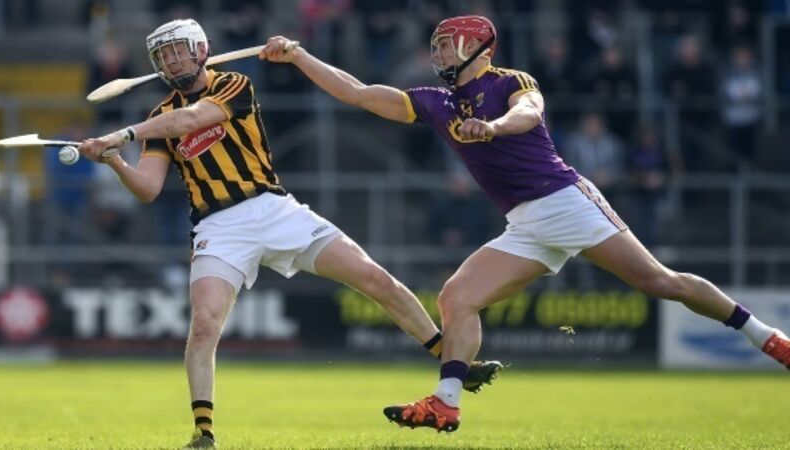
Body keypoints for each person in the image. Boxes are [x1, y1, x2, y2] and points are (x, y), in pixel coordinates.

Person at [259, 14, 790, 433]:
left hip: (565, 201)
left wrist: (492, 128)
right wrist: (300, 55)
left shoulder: (509, 81)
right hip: (525, 223)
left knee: (661, 282)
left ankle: (767, 338)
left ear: (480, 50)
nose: (438, 53)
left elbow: (529, 113)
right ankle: (446, 403)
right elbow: (356, 92)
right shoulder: (436, 102)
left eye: (448, 45)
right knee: (455, 298)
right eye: (436, 46)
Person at [77, 19, 502, 449]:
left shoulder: (232, 84)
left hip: (273, 208)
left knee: (375, 278)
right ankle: (204, 433)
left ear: (200, 50)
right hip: (216, 226)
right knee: (204, 324)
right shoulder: (158, 118)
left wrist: (124, 133)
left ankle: (450, 361)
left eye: (177, 51)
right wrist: (115, 160)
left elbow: (193, 117)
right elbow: (148, 189)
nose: (171, 61)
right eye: (162, 56)